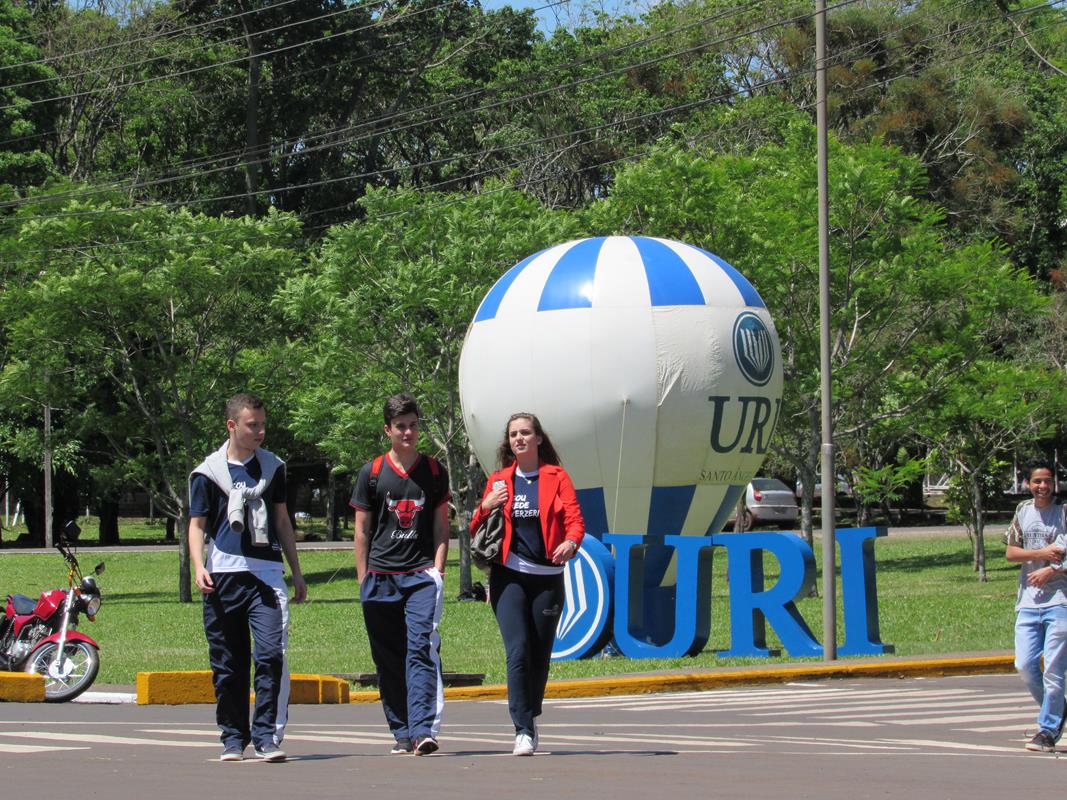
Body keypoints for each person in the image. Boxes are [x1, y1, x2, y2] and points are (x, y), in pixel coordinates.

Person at [188, 392, 307, 763]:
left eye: (262, 424)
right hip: (223, 576)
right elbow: (197, 525)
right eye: (252, 425)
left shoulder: (273, 468)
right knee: (229, 662)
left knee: (270, 654)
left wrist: (297, 572)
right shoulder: (207, 473)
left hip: (266, 576)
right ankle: (233, 739)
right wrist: (198, 565)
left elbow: (283, 521)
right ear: (232, 426)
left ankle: (266, 736)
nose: (260, 431)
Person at [469, 412, 584, 756]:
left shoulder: (556, 476)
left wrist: (571, 543)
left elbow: (575, 520)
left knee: (539, 654)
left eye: (526, 433)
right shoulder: (500, 481)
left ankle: (530, 715)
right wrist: (485, 506)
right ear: (510, 442)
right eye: (514, 434)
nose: (519, 438)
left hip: (548, 578)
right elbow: (477, 528)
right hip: (509, 576)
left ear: (538, 439)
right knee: (517, 651)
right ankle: (522, 728)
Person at [352, 393, 450, 756]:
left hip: (421, 576)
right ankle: (401, 731)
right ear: (388, 429)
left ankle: (423, 729)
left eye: (412, 425)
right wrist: (363, 578)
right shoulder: (372, 472)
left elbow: (442, 528)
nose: (408, 432)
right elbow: (362, 530)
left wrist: (437, 570)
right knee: (388, 657)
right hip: (379, 577)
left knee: (420, 649)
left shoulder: (434, 472)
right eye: (400, 426)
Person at [1004, 461, 1067, 753]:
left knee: (1054, 670)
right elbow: (1011, 552)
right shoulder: (1023, 512)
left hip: (1059, 602)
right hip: (1028, 602)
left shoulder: (1064, 513)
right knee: (1025, 665)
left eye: (1047, 481)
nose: (1043, 486)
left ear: (1054, 484)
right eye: (1037, 481)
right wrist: (1043, 554)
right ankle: (1056, 710)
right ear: (1028, 484)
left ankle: (1047, 729)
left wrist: (1052, 570)